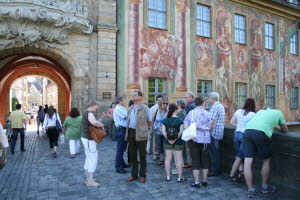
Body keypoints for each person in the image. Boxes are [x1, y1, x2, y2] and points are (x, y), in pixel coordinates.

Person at [243, 107, 288, 198]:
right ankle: (264, 187)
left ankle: (250, 189)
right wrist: (277, 127)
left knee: (247, 162)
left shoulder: (260, 112)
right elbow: (285, 129)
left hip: (247, 132)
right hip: (261, 133)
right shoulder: (278, 112)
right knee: (266, 160)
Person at [184, 97, 212, 188]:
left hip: (194, 139)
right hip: (205, 140)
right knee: (205, 160)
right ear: (203, 103)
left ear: (195, 103)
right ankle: (204, 181)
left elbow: (185, 125)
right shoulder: (208, 113)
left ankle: (196, 182)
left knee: (195, 161)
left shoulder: (191, 113)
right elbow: (211, 126)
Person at [126, 91, 151, 183]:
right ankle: (134, 175)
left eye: (135, 95)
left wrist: (143, 129)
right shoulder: (130, 108)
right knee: (132, 155)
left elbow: (149, 121)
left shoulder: (145, 108)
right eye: (132, 94)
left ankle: (143, 175)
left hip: (141, 133)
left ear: (140, 97)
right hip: (131, 133)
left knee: (142, 155)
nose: (132, 96)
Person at [229, 98, 256, 182]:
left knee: (238, 155)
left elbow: (231, 122)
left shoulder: (238, 111)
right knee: (239, 157)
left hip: (236, 134)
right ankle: (231, 175)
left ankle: (241, 171)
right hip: (245, 135)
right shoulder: (252, 114)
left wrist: (239, 126)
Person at [81, 100, 106, 187]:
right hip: (89, 139)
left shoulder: (86, 113)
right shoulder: (89, 113)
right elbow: (94, 123)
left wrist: (101, 119)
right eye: (97, 106)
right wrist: (102, 125)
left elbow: (93, 123)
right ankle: (90, 181)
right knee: (93, 158)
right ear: (93, 105)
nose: (98, 107)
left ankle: (88, 177)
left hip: (86, 138)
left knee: (88, 157)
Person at [162, 103, 185, 182]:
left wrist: (169, 139)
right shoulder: (180, 120)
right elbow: (181, 131)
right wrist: (175, 139)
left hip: (167, 142)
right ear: (176, 110)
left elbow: (163, 132)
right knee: (179, 160)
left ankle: (168, 176)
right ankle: (180, 177)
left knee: (167, 159)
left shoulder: (165, 120)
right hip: (178, 142)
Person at [208, 92, 225, 176]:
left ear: (213, 99)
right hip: (219, 132)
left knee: (214, 153)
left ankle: (215, 171)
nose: (208, 100)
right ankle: (216, 170)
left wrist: (207, 130)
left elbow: (212, 121)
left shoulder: (215, 107)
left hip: (214, 133)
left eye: (209, 98)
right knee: (216, 152)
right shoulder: (220, 106)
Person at [114, 96, 130, 174]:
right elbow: (127, 117)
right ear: (120, 101)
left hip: (123, 129)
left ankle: (122, 163)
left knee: (122, 148)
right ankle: (118, 167)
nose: (125, 101)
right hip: (121, 130)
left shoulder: (121, 108)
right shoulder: (119, 109)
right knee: (120, 149)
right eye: (124, 100)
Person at [172, 98, 188, 175]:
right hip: (179, 135)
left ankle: (178, 169)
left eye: (176, 103)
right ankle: (177, 168)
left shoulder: (181, 113)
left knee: (177, 154)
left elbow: (179, 124)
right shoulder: (181, 112)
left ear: (179, 105)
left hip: (179, 136)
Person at [153, 98, 168, 165]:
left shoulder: (168, 112)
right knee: (159, 145)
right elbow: (153, 120)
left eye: (166, 104)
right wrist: (152, 128)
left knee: (166, 145)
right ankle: (161, 159)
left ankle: (167, 159)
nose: (165, 105)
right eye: (164, 104)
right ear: (160, 104)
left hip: (166, 132)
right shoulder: (157, 111)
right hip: (158, 132)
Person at [183, 91, 195, 168]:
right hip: (190, 128)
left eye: (186, 97)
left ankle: (190, 162)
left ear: (191, 98)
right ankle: (189, 161)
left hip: (190, 128)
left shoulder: (191, 106)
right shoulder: (190, 105)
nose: (185, 98)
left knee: (189, 147)